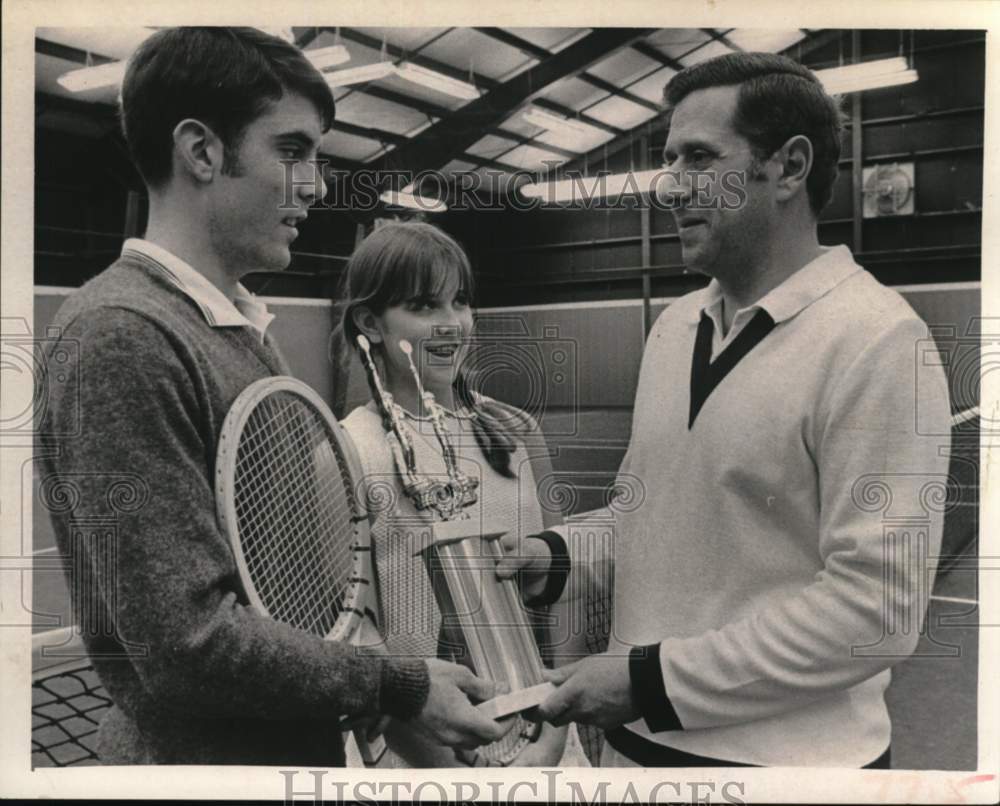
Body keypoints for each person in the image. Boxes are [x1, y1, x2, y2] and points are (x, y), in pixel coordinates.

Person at [37, 27, 509, 766]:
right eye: (292, 151)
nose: (317, 183)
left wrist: (376, 693)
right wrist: (395, 684)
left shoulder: (237, 328)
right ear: (202, 152)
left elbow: (284, 598)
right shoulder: (122, 334)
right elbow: (187, 642)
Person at [500, 51, 953, 767]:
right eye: (668, 159)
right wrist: (554, 555)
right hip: (632, 752)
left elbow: (876, 613)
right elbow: (644, 514)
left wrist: (652, 682)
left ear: (790, 167)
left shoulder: (881, 338)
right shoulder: (675, 326)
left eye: (699, 159)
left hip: (788, 773)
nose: (671, 187)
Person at [337, 221, 590, 767]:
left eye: (461, 302)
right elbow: (355, 636)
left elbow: (564, 589)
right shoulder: (346, 450)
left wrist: (552, 735)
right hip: (420, 761)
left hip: (542, 746)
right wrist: (449, 769)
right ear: (369, 323)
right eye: (425, 306)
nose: (452, 324)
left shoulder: (517, 430)